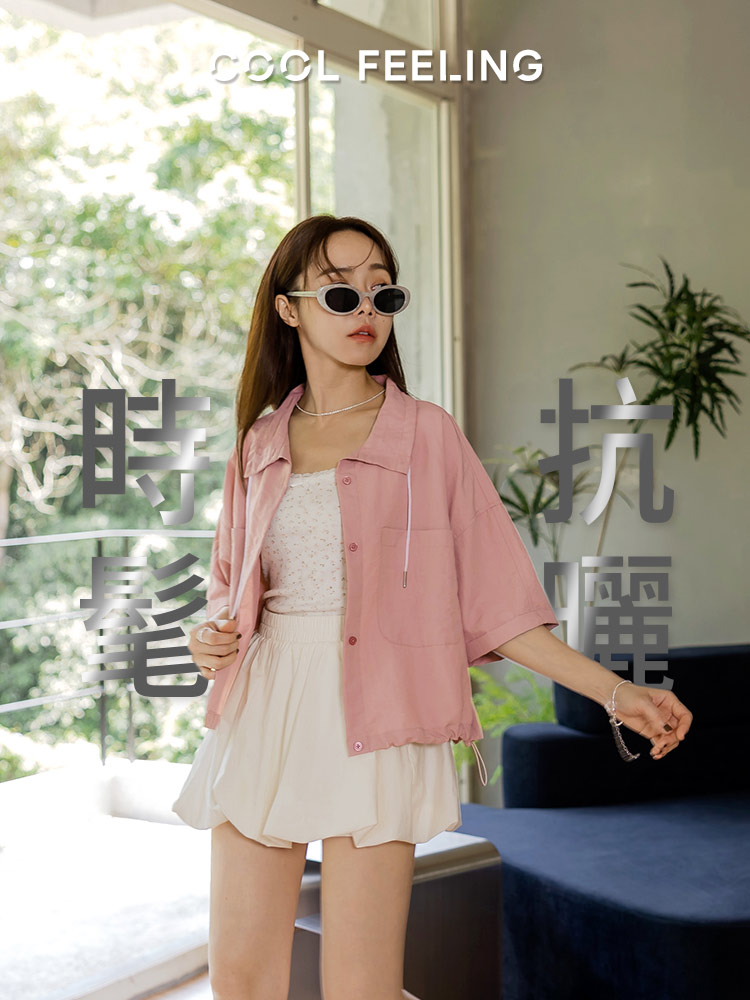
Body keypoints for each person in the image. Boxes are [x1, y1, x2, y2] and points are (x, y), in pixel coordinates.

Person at [171, 214, 693, 1000]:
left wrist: (617, 693)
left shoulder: (426, 436)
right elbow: (229, 584)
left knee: (361, 987)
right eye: (341, 294)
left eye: (383, 293)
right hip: (264, 709)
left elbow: (498, 601)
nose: (366, 311)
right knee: (240, 979)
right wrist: (210, 636)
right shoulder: (258, 443)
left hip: (382, 714)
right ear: (289, 309)